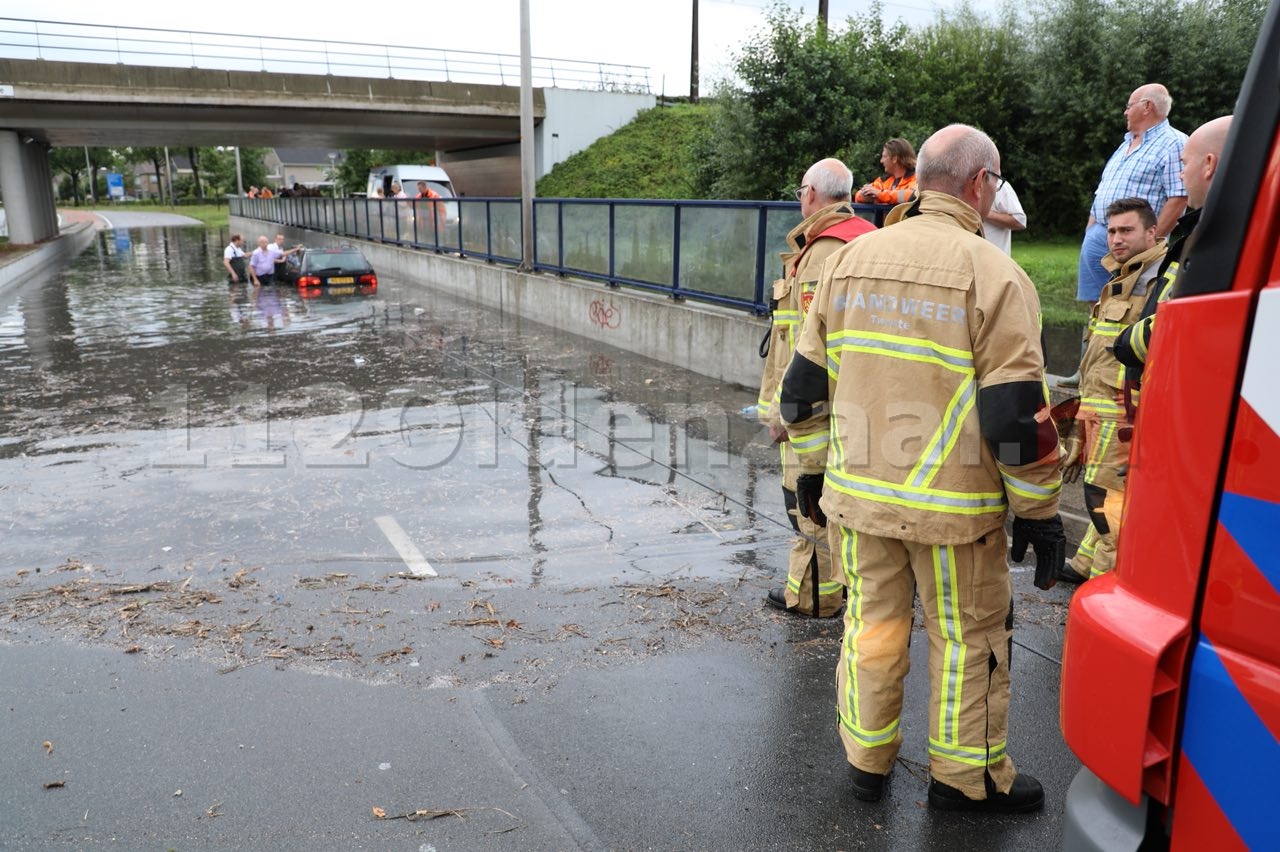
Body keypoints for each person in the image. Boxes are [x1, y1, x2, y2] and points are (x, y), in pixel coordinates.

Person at [779, 124, 1064, 813]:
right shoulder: (996, 275)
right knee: (970, 641)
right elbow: (1016, 417)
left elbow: (801, 390)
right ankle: (968, 781)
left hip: (858, 502)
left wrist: (814, 468)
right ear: (978, 184)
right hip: (954, 513)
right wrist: (1040, 512)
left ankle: (866, 762)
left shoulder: (851, 261)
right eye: (995, 183)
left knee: (872, 627)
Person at [757, 157, 876, 618]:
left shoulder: (821, 255)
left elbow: (800, 347)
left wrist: (782, 413)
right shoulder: (870, 240)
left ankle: (815, 597)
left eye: (800, 191)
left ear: (810, 193)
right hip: (860, 401)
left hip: (814, 407)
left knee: (806, 501)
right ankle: (852, 589)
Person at [1059, 198, 1166, 583]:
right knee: (1099, 491)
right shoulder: (1122, 276)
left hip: (1123, 409)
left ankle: (1105, 584)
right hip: (1099, 403)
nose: (1116, 239)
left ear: (1152, 232)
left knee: (1106, 498)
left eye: (1127, 230)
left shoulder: (1158, 280)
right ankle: (1085, 563)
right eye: (1112, 231)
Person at [1064, 83, 1187, 387]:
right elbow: (1103, 190)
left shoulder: (1173, 143)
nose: (1124, 111)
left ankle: (1119, 376)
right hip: (1102, 235)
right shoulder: (1126, 143)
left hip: (1137, 243)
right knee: (1097, 305)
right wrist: (1093, 227)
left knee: (1131, 305)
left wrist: (1153, 240)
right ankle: (1086, 370)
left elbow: (1179, 196)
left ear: (1147, 106)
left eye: (1129, 105)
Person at [1113, 115, 1233, 414]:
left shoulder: (1220, 239)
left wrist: (1128, 344)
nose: (1180, 176)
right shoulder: (1215, 230)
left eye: (1184, 164)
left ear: (1209, 164)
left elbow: (1189, 320)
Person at [857, 138, 917, 206]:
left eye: (884, 156)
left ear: (894, 159)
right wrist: (865, 196)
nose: (881, 161)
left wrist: (880, 195)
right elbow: (857, 195)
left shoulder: (917, 178)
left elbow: (911, 195)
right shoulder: (884, 181)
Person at [982, 180, 1026, 254]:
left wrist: (984, 212)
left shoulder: (999, 185)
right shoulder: (960, 183)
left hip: (995, 260)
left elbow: (1019, 221)